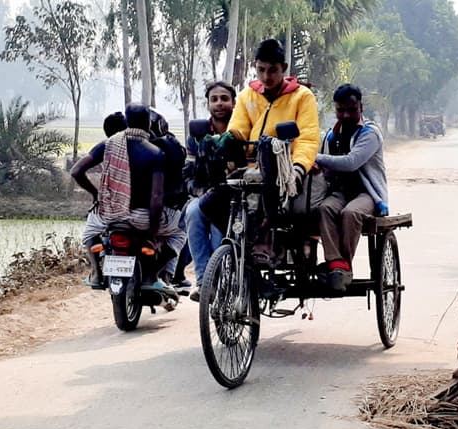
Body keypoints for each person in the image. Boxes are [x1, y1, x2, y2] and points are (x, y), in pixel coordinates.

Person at [201, 38, 319, 266]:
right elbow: (238, 129)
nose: (266, 77)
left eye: (273, 70)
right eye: (261, 70)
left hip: (286, 174)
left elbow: (308, 138)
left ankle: (264, 250)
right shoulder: (247, 96)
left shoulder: (302, 96)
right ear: (255, 67)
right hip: (251, 170)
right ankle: (243, 246)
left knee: (267, 207)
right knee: (209, 203)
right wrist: (223, 141)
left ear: (284, 69)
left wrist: (297, 168)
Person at [71, 104, 187, 290]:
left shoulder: (108, 145)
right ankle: (151, 275)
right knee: (179, 234)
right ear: (148, 123)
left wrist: (96, 195)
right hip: (142, 218)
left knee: (90, 233)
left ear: (127, 121)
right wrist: (153, 232)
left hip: (109, 216)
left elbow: (76, 171)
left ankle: (96, 273)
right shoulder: (156, 153)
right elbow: (156, 198)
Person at [313, 84, 388, 293]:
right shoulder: (331, 135)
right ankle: (334, 263)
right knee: (324, 209)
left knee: (351, 213)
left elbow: (351, 162)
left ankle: (343, 267)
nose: (345, 115)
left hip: (367, 194)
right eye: (340, 110)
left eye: (351, 110)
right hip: (339, 192)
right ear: (335, 109)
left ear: (361, 107)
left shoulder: (370, 133)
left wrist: (315, 158)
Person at [181, 80, 236, 300]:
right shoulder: (197, 136)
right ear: (208, 105)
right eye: (214, 99)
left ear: (233, 102)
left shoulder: (241, 129)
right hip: (206, 194)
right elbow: (188, 172)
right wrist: (198, 191)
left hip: (236, 195)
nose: (219, 103)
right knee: (193, 212)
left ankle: (222, 277)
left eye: (224, 98)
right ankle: (204, 282)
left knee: (217, 233)